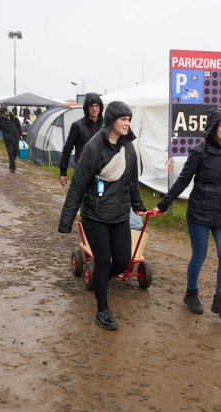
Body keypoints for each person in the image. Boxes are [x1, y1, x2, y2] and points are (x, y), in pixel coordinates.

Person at [152, 107, 221, 321]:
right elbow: (182, 181)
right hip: (199, 211)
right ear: (214, 127)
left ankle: (219, 301)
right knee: (199, 256)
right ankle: (191, 294)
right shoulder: (199, 152)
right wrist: (163, 206)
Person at [58, 101, 147, 330]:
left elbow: (132, 183)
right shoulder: (94, 147)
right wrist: (67, 221)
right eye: (122, 119)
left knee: (123, 261)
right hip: (95, 215)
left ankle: (100, 281)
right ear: (112, 121)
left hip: (119, 215)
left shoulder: (129, 148)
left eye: (129, 119)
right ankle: (102, 309)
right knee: (103, 260)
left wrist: (138, 205)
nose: (127, 123)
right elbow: (78, 185)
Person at [59, 92, 104, 187]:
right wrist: (63, 172)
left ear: (100, 107)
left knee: (101, 200)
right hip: (83, 171)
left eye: (97, 106)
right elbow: (67, 148)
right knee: (83, 200)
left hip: (103, 172)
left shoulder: (106, 126)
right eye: (91, 106)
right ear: (86, 108)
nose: (94, 109)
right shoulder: (78, 126)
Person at [0, 106, 22, 173]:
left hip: (15, 137)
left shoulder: (12, 116)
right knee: (10, 154)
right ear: (2, 113)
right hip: (8, 139)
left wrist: (20, 134)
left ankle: (11, 164)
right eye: (5, 112)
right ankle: (12, 168)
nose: (6, 113)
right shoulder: (0, 120)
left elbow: (18, 124)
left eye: (6, 112)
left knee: (15, 153)